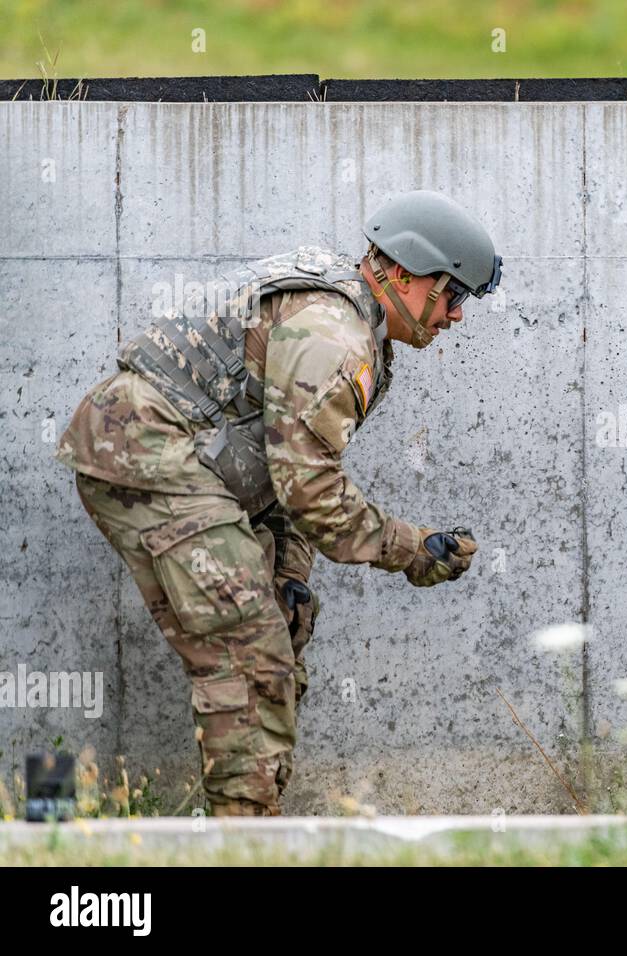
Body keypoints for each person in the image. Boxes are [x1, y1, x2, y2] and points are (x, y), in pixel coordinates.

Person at [55, 189, 502, 816]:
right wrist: (410, 548)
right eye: (453, 294)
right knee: (248, 654)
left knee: (280, 625)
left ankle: (253, 820)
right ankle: (247, 846)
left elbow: (281, 466)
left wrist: (287, 574)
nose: (456, 316)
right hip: (150, 453)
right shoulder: (334, 335)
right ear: (406, 271)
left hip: (186, 463)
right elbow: (311, 491)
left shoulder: (350, 318)